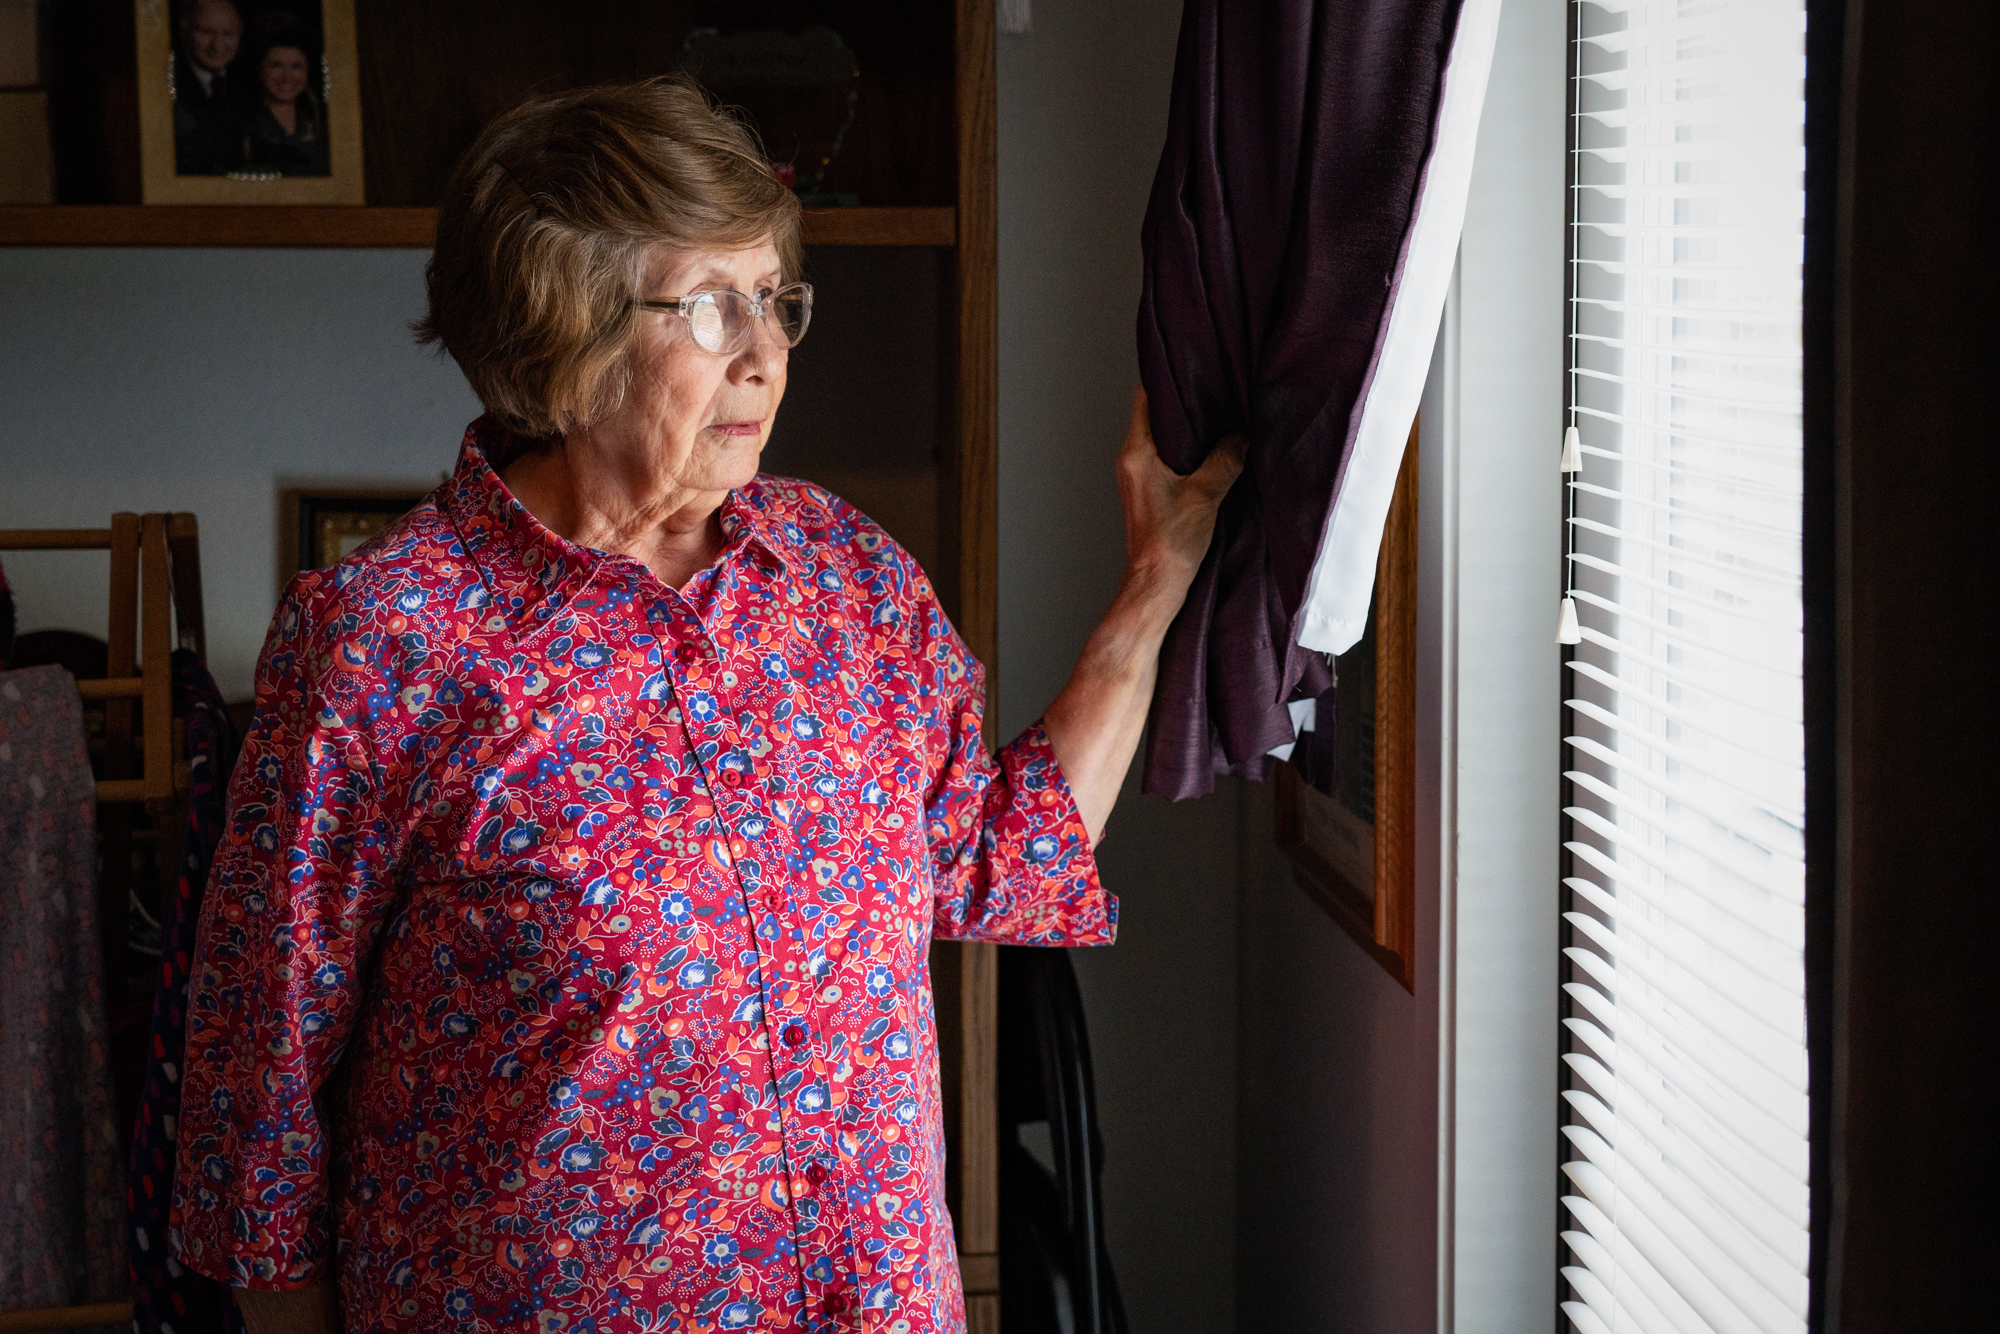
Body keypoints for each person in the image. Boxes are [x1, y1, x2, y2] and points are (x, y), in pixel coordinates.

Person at [170, 78, 1240, 1334]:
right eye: (710, 305)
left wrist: (1157, 580)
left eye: (776, 297)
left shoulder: (845, 575)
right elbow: (261, 1102)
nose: (766, 352)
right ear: (557, 326)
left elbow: (997, 854)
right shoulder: (384, 640)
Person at [240, 27, 329, 176]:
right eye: (276, 65)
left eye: (296, 66)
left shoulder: (323, 118)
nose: (287, 76)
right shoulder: (242, 121)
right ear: (260, 69)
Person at [170, 0, 245, 174]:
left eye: (228, 33)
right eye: (205, 32)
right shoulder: (165, 82)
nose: (216, 45)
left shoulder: (251, 80)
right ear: (184, 32)